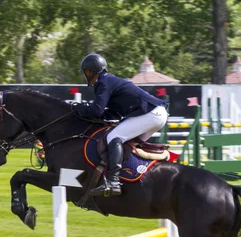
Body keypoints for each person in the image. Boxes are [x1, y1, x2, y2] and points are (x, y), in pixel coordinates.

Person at [72, 54, 169, 197]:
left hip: (150, 114)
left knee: (114, 137)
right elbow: (113, 114)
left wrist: (77, 109)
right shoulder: (109, 81)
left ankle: (113, 182)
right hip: (156, 114)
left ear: (88, 72)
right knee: (127, 144)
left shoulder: (102, 82)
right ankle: (133, 178)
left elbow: (97, 110)